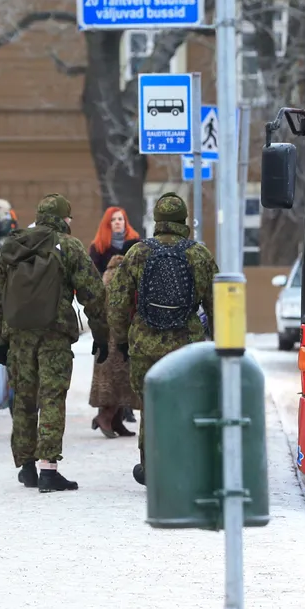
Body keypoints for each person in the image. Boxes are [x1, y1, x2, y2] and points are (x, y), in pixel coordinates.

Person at [0, 193, 106, 493]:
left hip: (18, 335)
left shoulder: (14, 245)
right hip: (54, 333)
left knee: (24, 398)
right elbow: (93, 292)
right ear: (64, 218)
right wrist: (102, 332)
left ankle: (26, 467)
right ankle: (49, 470)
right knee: (51, 396)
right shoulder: (70, 247)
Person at [108, 192, 217, 486]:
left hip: (145, 343)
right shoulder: (199, 255)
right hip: (187, 347)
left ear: (157, 221)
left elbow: (117, 301)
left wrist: (119, 339)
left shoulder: (138, 253)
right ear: (183, 221)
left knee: (150, 404)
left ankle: (151, 468)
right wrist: (218, 343)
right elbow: (215, 304)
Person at [90, 254, 136, 438]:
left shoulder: (106, 277)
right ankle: (105, 416)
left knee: (113, 379)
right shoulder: (121, 278)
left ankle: (115, 420)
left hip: (107, 333)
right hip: (117, 334)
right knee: (118, 379)